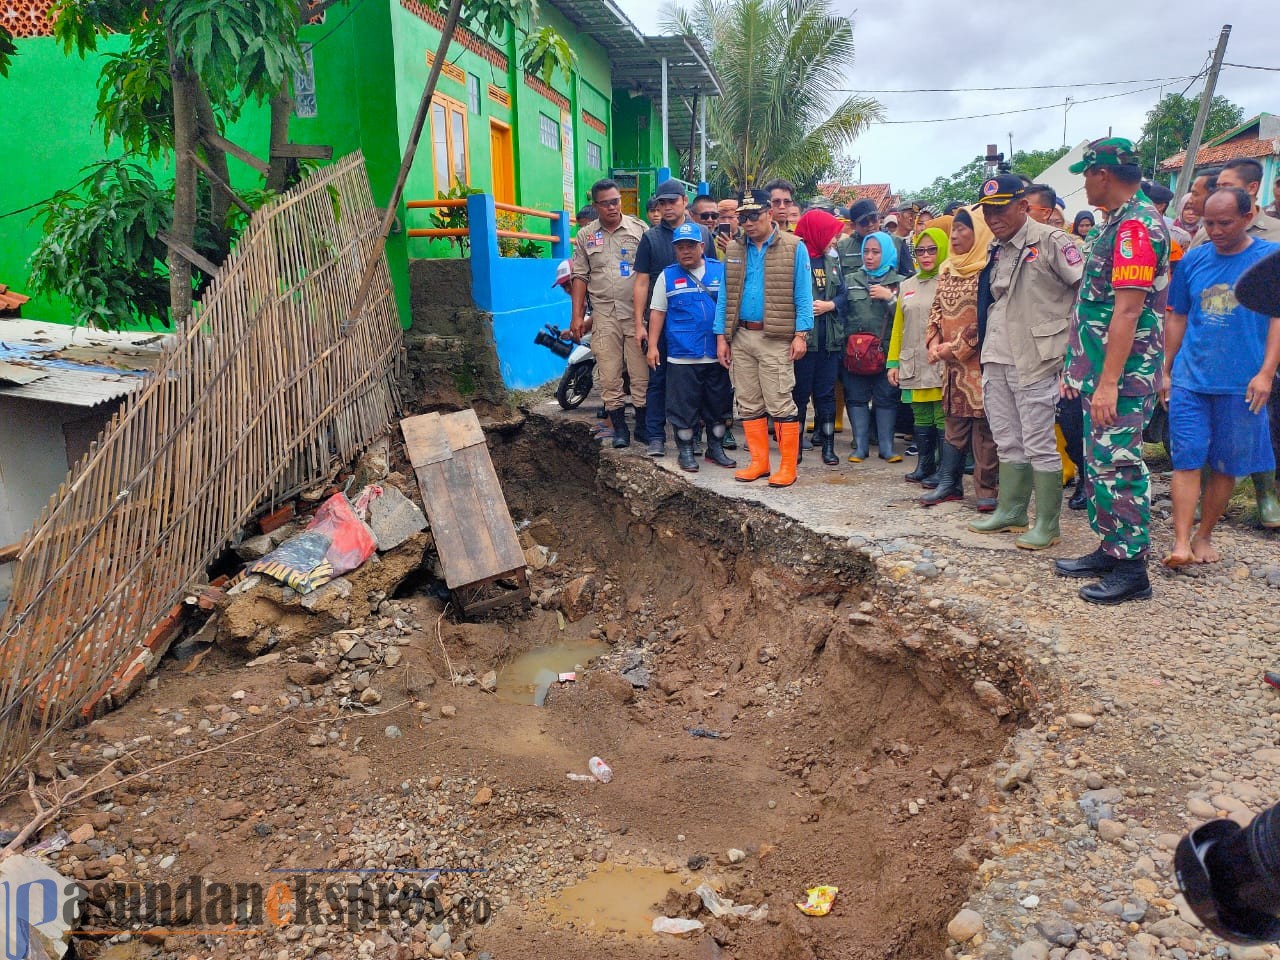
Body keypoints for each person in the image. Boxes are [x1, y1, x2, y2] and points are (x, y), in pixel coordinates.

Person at [1057, 137, 1171, 604]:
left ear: (1103, 174)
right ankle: (1111, 546)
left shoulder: (1137, 228)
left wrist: (1107, 383)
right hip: (1102, 370)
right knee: (1099, 463)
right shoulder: (1117, 223)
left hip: (1122, 376)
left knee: (1118, 465)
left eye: (1086, 173)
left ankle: (1132, 570)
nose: (1084, 182)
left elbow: (1127, 313)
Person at [1162, 187, 1280, 567]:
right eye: (1209, 222)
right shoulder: (1193, 261)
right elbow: (1177, 316)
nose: (1214, 230)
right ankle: (1180, 542)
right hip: (1190, 379)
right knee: (1187, 459)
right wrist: (1166, 368)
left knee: (1227, 464)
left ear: (1249, 216)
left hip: (1243, 384)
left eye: (1224, 222)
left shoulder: (1269, 261)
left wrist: (1266, 373)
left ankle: (1204, 534)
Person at [969, 174, 1083, 550]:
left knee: (1038, 440)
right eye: (987, 211)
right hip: (998, 353)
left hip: (1037, 355)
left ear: (1022, 206)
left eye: (1000, 209)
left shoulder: (1052, 241)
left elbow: (1085, 293)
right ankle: (1012, 510)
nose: (993, 217)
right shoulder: (997, 247)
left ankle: (1047, 524)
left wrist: (1076, 353)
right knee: (1006, 437)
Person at [1191, 160, 1280, 517]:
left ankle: (1266, 495)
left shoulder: (1274, 233)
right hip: (1217, 343)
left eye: (1225, 184)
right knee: (1213, 426)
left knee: (1263, 421)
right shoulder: (1205, 234)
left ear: (1252, 189)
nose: (1217, 192)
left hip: (1260, 343)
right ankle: (1208, 497)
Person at [714, 188, 814, 487]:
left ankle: (787, 466)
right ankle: (759, 462)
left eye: (753, 215)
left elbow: (804, 295)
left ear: (769, 213)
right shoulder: (734, 249)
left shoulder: (794, 247)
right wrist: (721, 337)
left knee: (781, 402)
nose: (747, 222)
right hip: (741, 335)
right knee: (747, 402)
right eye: (742, 217)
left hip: (775, 337)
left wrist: (801, 335)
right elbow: (724, 296)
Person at [633, 179, 718, 457]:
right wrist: (639, 324)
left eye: (673, 201)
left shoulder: (704, 234)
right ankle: (656, 435)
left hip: (697, 326)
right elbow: (642, 282)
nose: (667, 207)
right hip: (663, 322)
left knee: (700, 381)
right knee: (658, 381)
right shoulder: (651, 238)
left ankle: (696, 439)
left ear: (684, 201)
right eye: (662, 203)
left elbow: (716, 279)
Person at [921, 207, 998, 508]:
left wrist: (954, 349)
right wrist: (933, 342)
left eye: (963, 229)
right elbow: (936, 310)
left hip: (977, 362)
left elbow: (986, 317)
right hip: (951, 367)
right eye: (953, 230)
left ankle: (986, 493)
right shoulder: (947, 269)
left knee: (983, 429)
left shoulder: (987, 270)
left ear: (978, 233)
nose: (955, 235)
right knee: (954, 423)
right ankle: (949, 483)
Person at [645, 221, 737, 472]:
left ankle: (715, 449)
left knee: (718, 407)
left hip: (716, 355)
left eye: (691, 246)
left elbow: (731, 309)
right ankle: (685, 451)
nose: (685, 251)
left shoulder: (721, 271)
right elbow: (657, 312)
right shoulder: (668, 275)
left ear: (702, 246)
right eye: (680, 247)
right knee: (682, 409)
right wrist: (652, 346)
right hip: (681, 355)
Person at [570, 178, 649, 448]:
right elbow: (580, 276)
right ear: (596, 205)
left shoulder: (639, 229)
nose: (612, 207)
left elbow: (647, 274)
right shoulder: (586, 236)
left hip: (635, 313)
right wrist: (577, 316)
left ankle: (641, 424)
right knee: (608, 372)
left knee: (640, 371)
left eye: (615, 201)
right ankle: (619, 429)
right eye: (605, 204)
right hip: (603, 314)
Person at [888, 224, 948, 484]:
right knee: (920, 415)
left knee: (941, 416)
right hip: (913, 360)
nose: (925, 256)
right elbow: (898, 328)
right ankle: (925, 465)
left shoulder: (950, 281)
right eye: (920, 250)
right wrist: (893, 363)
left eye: (932, 250)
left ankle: (945, 470)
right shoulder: (907, 285)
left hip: (940, 360)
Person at [842, 231, 906, 462]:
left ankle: (886, 448)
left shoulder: (900, 283)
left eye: (876, 252)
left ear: (887, 253)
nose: (869, 257)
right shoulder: (850, 281)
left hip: (885, 353)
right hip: (855, 354)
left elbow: (907, 316)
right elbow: (842, 313)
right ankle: (860, 447)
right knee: (856, 397)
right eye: (866, 252)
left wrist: (889, 298)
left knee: (886, 398)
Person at [793, 209, 848, 466]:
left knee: (826, 395)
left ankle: (828, 448)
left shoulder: (833, 261)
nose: (835, 240)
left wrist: (830, 305)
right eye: (831, 234)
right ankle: (795, 449)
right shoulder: (796, 257)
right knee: (799, 396)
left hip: (829, 341)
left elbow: (844, 295)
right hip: (805, 341)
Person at [1190, 158, 1280, 247]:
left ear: (1252, 188)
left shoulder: (1276, 232)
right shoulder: (1207, 232)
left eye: (1227, 186)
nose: (1220, 192)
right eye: (1218, 187)